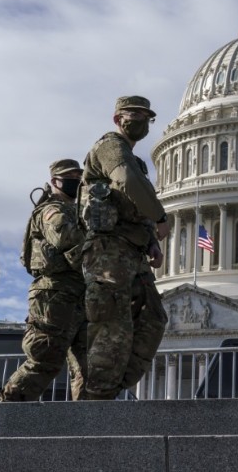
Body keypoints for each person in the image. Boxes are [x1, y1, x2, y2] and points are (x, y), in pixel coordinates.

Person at [79, 95, 169, 400]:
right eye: (134, 114)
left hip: (133, 253)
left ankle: (110, 390)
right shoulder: (110, 147)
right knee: (111, 331)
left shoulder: (136, 160)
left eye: (147, 116)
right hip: (109, 252)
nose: (142, 120)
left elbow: (133, 204)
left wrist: (151, 241)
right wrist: (160, 217)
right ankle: (97, 402)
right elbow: (127, 182)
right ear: (118, 118)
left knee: (154, 320)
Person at [0, 159, 88, 402]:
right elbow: (66, 237)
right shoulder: (51, 210)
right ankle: (6, 412)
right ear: (55, 181)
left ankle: (86, 426)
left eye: (79, 177)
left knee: (88, 368)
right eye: (70, 177)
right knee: (45, 359)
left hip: (80, 294)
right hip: (54, 294)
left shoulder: (78, 210)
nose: (76, 182)